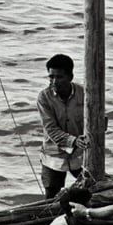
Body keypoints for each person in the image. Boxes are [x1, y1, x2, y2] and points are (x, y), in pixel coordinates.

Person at [37, 54, 88, 198]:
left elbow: (95, 119)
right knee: (51, 194)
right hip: (54, 153)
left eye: (59, 77)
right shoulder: (44, 97)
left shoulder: (84, 93)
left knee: (90, 187)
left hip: (80, 153)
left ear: (70, 77)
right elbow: (51, 129)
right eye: (51, 77)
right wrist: (73, 141)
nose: (54, 81)